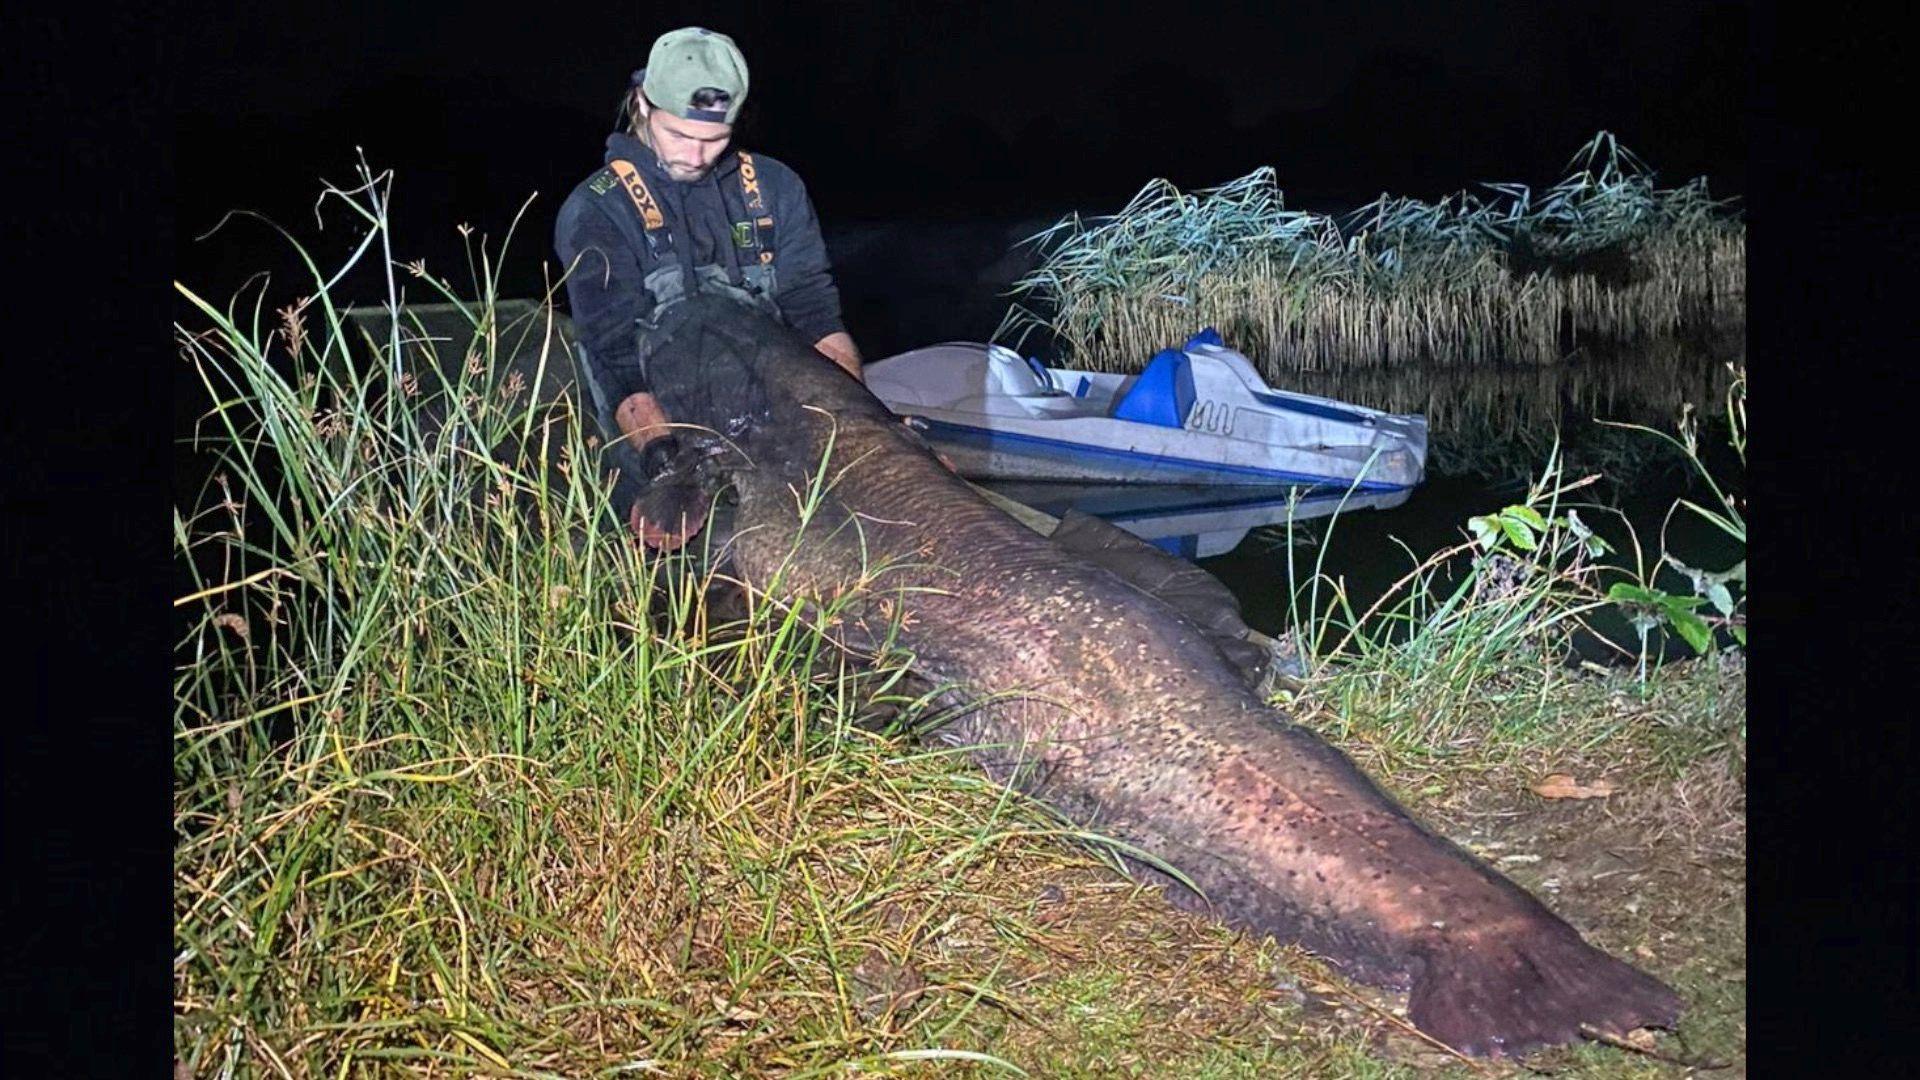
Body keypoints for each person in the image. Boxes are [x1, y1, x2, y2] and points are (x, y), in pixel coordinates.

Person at [554, 27, 862, 547]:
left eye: (714, 139)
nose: (696, 157)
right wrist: (666, 460)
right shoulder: (596, 209)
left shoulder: (776, 187)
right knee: (679, 556)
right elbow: (613, 356)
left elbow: (815, 313)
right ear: (642, 104)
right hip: (657, 429)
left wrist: (860, 429)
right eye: (679, 136)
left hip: (778, 420)